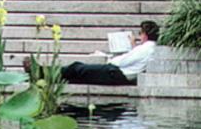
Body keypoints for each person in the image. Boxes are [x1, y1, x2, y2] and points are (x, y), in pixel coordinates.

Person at [25, 21, 160, 85]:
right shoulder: (147, 48)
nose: (138, 36)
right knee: (77, 75)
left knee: (78, 68)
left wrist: (110, 60)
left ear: (146, 35)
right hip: (118, 73)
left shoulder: (146, 47)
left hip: (116, 73)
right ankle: (43, 75)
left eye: (140, 33)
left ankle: (41, 72)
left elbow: (123, 62)